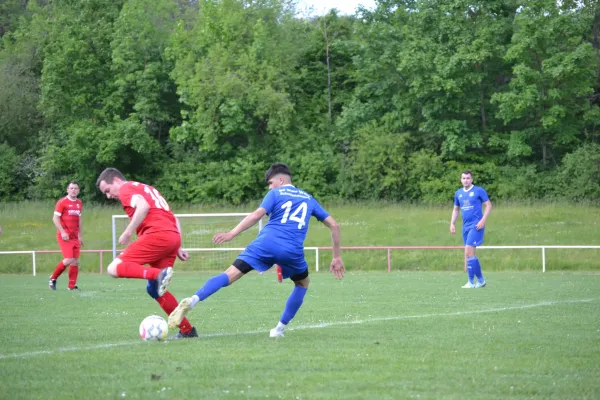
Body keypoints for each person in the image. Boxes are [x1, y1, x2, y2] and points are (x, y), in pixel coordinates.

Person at [168, 163, 345, 338]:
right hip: (291, 249)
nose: (269, 186)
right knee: (302, 284)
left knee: (229, 275)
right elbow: (334, 225)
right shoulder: (308, 198)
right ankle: (278, 330)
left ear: (281, 180)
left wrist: (232, 234)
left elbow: (256, 215)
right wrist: (336, 256)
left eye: (270, 182)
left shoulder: (275, 193)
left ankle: (193, 300)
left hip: (265, 243)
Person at [96, 168, 198, 339]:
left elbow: (143, 206)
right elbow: (175, 218)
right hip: (172, 236)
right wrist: (178, 245)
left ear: (116, 180)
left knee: (113, 268)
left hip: (157, 235)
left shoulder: (125, 189)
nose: (108, 196)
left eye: (107, 190)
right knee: (155, 290)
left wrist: (128, 232)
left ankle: (158, 274)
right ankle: (187, 331)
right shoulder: (148, 188)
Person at [450, 170, 492, 289]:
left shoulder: (478, 190)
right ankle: (481, 280)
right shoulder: (458, 193)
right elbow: (456, 209)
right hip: (465, 227)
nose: (466, 180)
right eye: (463, 178)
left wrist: (483, 220)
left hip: (476, 226)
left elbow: (488, 205)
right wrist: (452, 223)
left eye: (468, 178)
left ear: (472, 179)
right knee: (471, 254)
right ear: (461, 179)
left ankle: (470, 282)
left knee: (467, 252)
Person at [49, 181, 83, 291]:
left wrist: (80, 236)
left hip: (74, 237)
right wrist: (63, 232)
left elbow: (79, 220)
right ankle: (53, 278)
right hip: (65, 236)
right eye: (71, 188)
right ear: (67, 190)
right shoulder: (62, 202)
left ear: (78, 190)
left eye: (76, 188)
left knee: (75, 261)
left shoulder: (79, 203)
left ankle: (71, 286)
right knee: (68, 259)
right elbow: (55, 218)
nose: (74, 190)